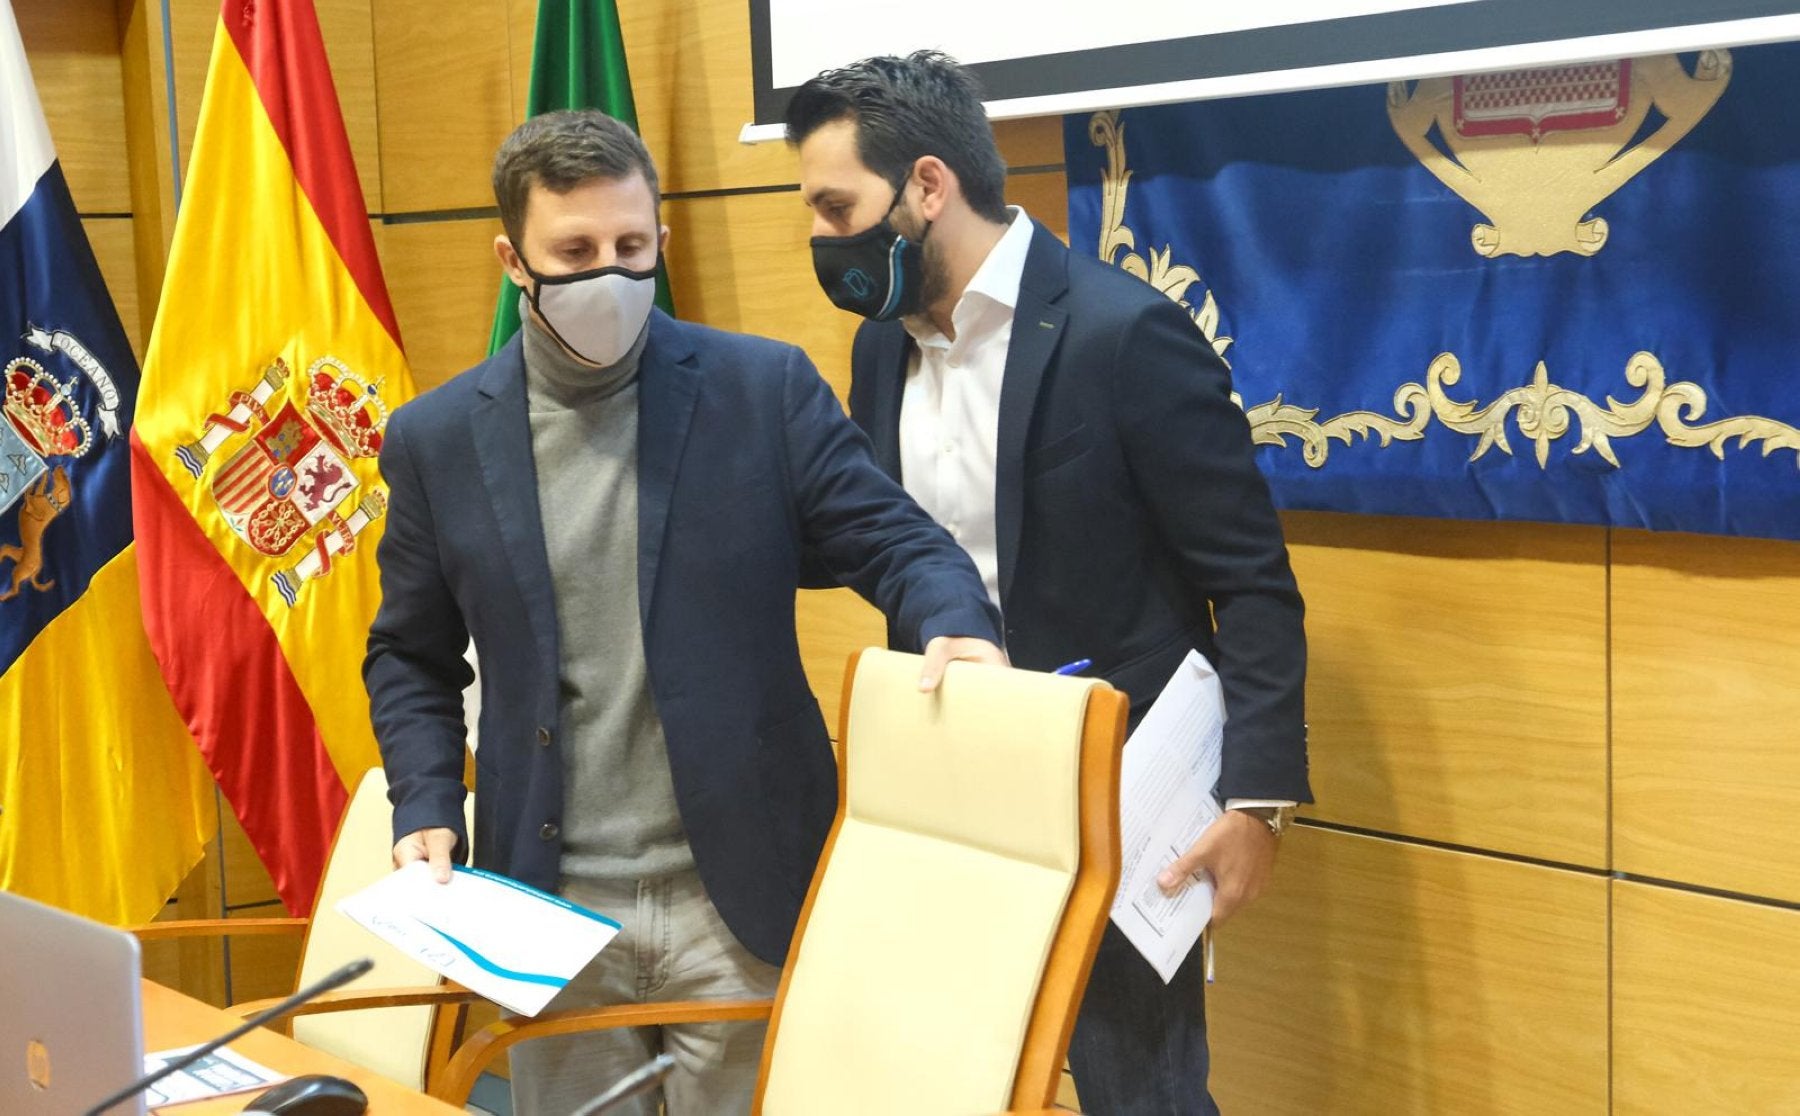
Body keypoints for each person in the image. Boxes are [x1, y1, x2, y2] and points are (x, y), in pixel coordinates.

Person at [363, 108, 1005, 1116]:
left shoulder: (761, 390)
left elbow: (899, 541)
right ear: (511, 259)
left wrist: (954, 620)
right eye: (573, 252)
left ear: (663, 241)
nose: (608, 274)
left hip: (738, 895)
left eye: (631, 246)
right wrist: (427, 804)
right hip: (551, 904)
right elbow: (410, 653)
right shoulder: (436, 439)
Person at [785, 53, 1311, 1114]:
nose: (822, 239)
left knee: (1139, 1095)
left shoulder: (1126, 335)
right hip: (951, 792)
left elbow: (1251, 583)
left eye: (836, 207)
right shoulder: (880, 351)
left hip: (1118, 805)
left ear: (927, 187)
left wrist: (1255, 802)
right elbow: (879, 543)